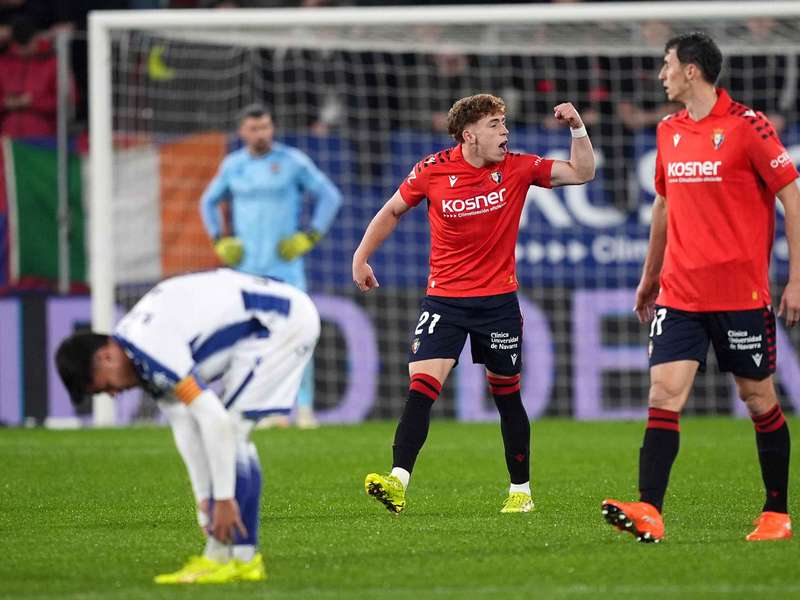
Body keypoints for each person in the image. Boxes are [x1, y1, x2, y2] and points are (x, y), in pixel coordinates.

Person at [600, 32, 800, 543]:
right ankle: (649, 510)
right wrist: (650, 276)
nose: (661, 74)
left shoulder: (748, 127)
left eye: (667, 65)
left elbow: (793, 200)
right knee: (664, 393)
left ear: (691, 70)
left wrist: (798, 278)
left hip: (740, 295)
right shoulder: (668, 130)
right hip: (679, 293)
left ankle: (776, 514)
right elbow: (665, 207)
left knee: (758, 398)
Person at [352, 93, 595, 514]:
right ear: (470, 135)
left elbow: (582, 171)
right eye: (495, 124)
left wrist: (577, 126)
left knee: (506, 396)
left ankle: (521, 491)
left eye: (504, 122)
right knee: (421, 389)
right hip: (444, 301)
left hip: (498, 303)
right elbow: (392, 210)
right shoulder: (432, 170)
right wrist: (361, 256)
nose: (505, 131)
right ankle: (397, 481)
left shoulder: (519, 167)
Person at [54, 269, 321, 583]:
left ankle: (232, 558)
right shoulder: (139, 354)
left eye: (102, 387)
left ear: (106, 357)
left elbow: (214, 420)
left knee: (233, 432)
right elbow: (185, 424)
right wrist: (204, 498)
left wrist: (222, 499)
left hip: (281, 324)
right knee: (230, 434)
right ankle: (234, 558)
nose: (112, 394)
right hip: (262, 324)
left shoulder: (151, 347)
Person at [200, 103, 341, 429]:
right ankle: (263, 409)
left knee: (299, 334)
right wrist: (219, 239)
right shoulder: (233, 166)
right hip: (247, 270)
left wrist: (310, 236)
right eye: (254, 128)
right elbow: (207, 201)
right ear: (242, 132)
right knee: (251, 341)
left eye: (265, 127)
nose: (261, 134)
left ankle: (303, 408)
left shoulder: (292, 162)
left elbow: (329, 195)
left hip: (286, 268)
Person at [0, 15, 77, 138]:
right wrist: (5, 103)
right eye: (19, 45)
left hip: (43, 139)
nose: (23, 50)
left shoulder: (54, 63)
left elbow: (68, 102)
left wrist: (33, 101)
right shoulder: (3, 62)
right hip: (7, 138)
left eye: (27, 44)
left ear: (36, 38)